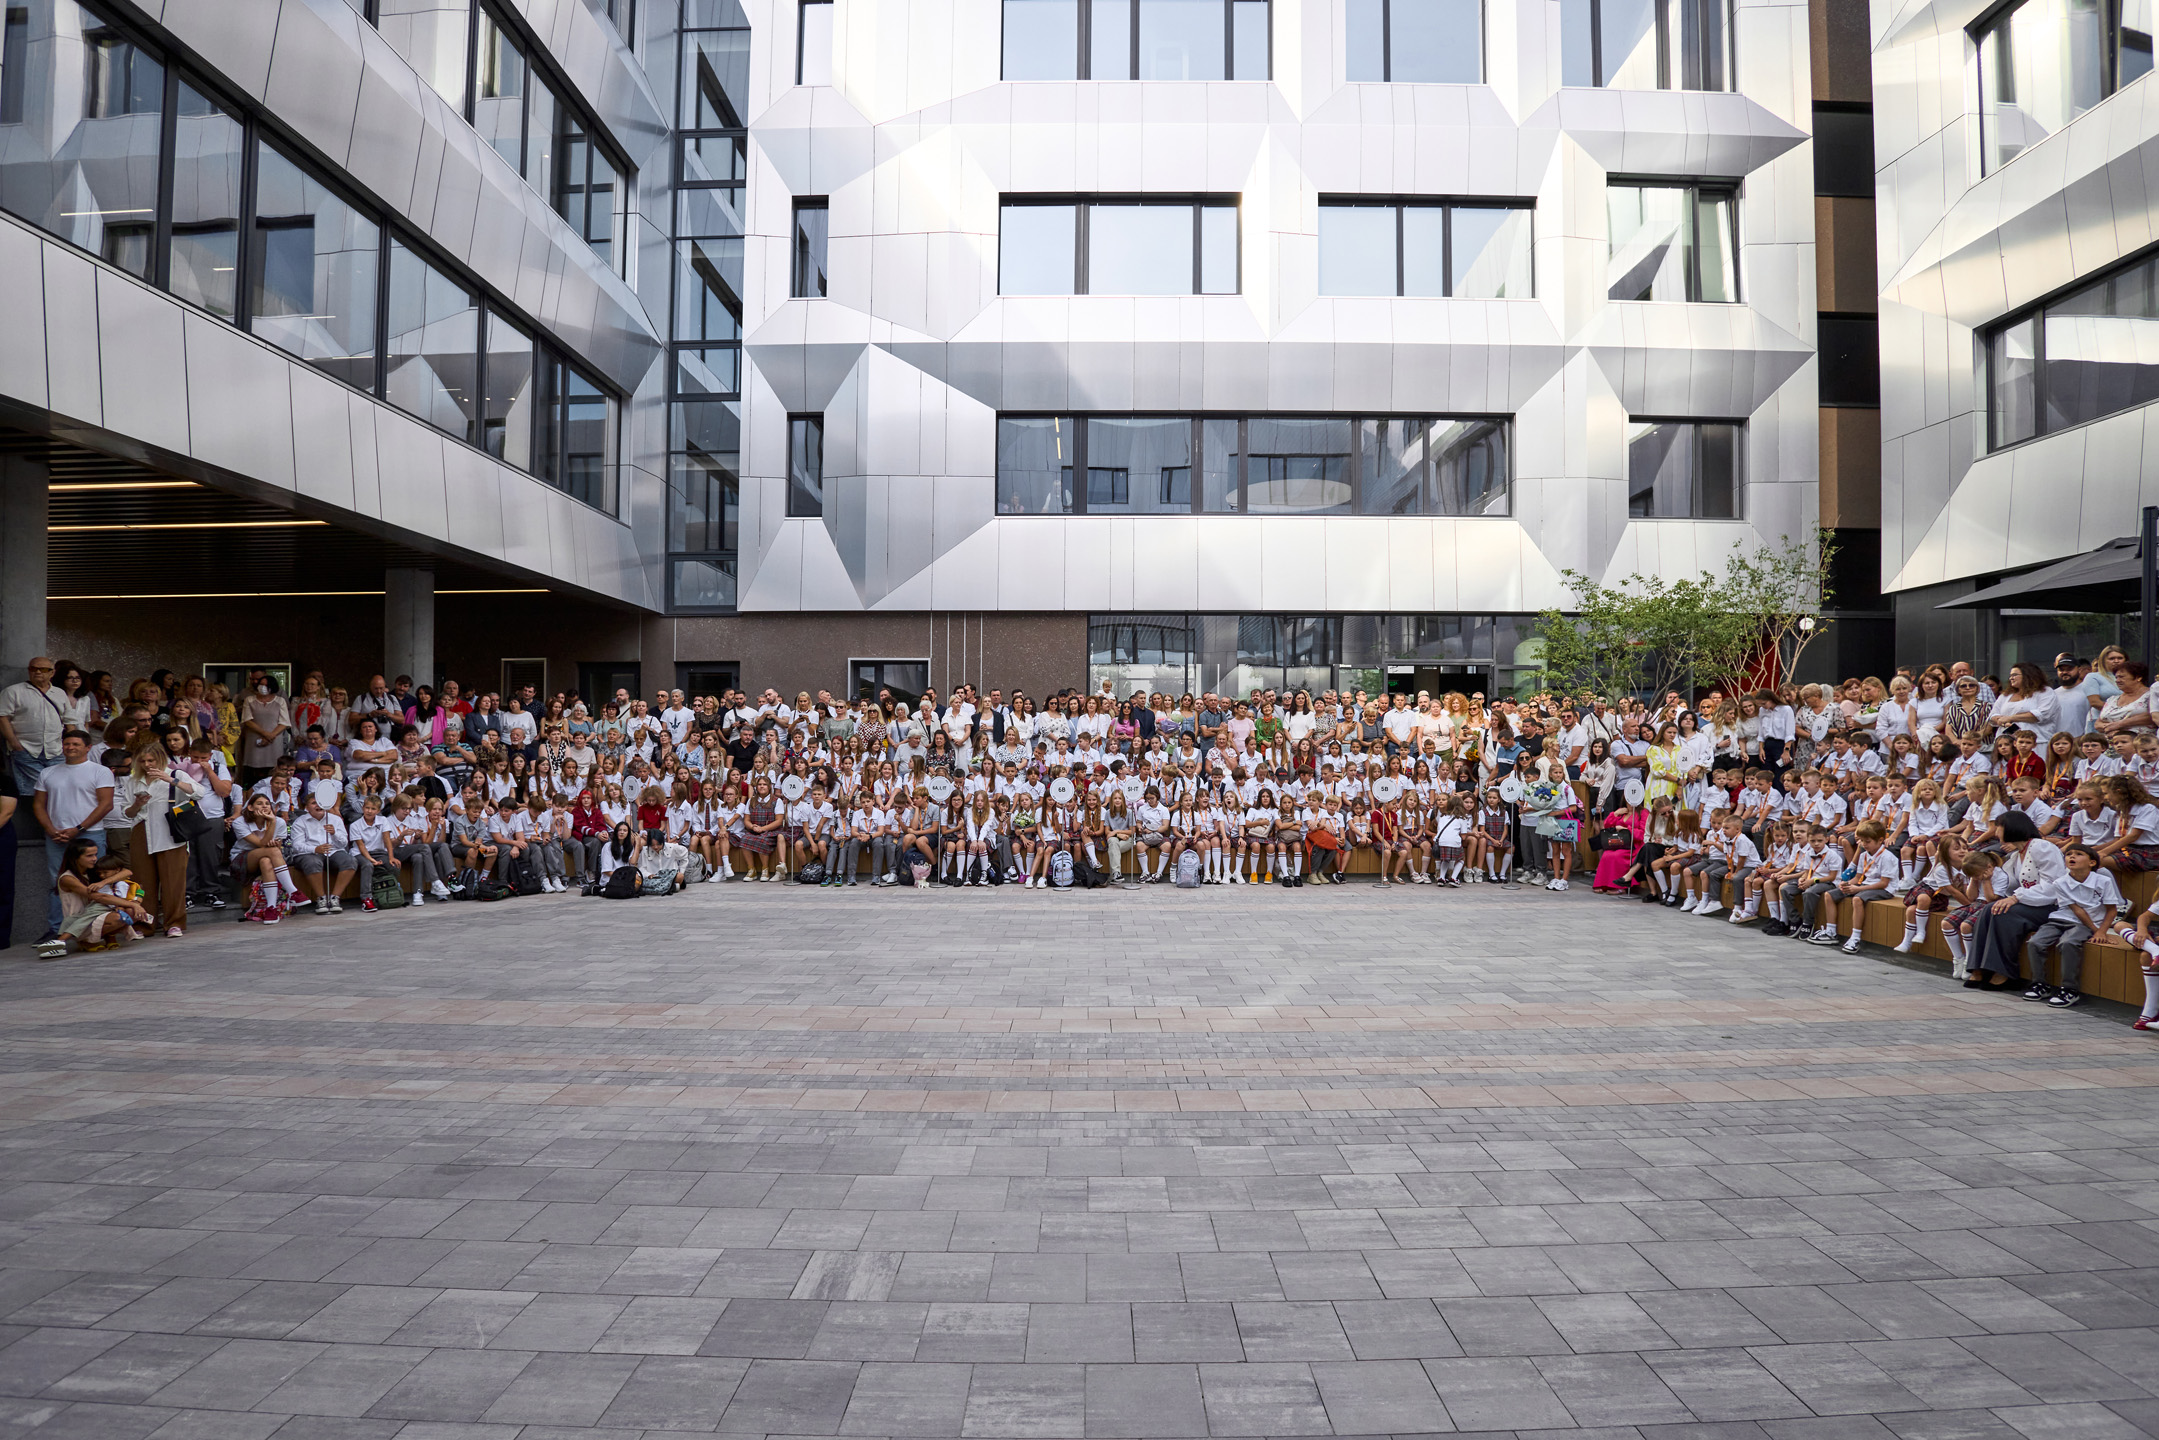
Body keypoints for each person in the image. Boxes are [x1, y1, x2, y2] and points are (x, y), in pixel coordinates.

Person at [30, 729, 114, 942]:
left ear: (88, 747)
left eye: (76, 744)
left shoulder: (100, 771)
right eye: (67, 744)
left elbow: (106, 804)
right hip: (56, 837)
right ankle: (56, 929)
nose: (70, 748)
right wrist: (50, 830)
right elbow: (38, 805)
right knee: (57, 882)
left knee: (96, 879)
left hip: (91, 833)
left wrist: (79, 828)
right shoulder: (48, 773)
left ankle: (99, 926)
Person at [118, 745, 201, 938]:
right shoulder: (134, 781)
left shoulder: (175, 774)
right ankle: (145, 923)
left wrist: (171, 780)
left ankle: (174, 923)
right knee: (143, 881)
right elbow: (127, 813)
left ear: (160, 759)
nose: (147, 765)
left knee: (173, 882)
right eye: (142, 761)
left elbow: (199, 792)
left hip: (170, 831)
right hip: (142, 829)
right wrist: (137, 804)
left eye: (151, 760)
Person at [0, 657, 70, 800]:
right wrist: (15, 743)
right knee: (39, 791)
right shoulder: (13, 691)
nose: (38, 672)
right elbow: (2, 717)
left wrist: (69, 743)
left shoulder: (60, 693)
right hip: (26, 749)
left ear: (52, 673)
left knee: (58, 788)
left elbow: (69, 720)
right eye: (33, 668)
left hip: (55, 750)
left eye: (43, 669)